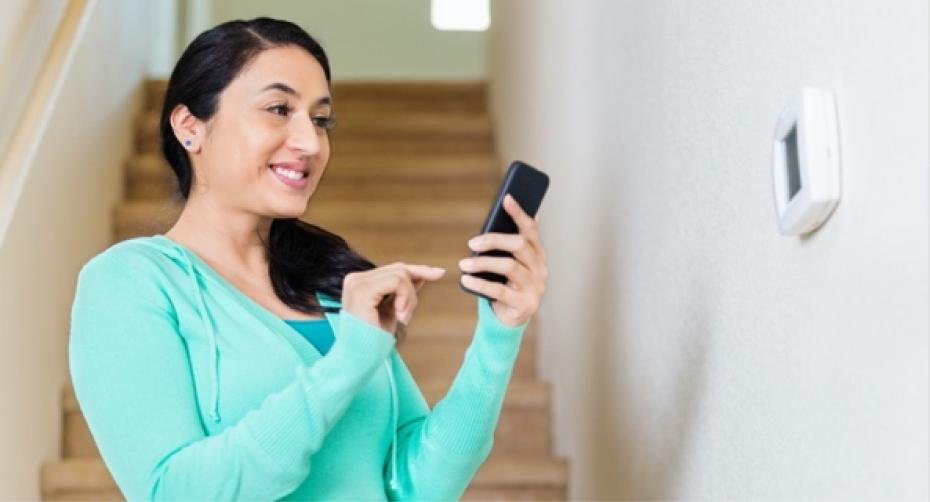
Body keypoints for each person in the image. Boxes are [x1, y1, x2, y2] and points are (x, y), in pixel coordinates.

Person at [68, 17, 548, 501]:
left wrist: (499, 333)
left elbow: (418, 488)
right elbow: (174, 492)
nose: (311, 143)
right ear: (190, 127)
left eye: (321, 120)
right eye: (279, 109)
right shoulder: (128, 283)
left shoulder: (333, 285)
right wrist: (346, 364)